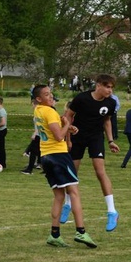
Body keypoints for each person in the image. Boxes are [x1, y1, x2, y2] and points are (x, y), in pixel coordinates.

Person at [33, 85, 97, 248]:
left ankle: (54, 234)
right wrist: (67, 123)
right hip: (58, 156)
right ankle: (81, 232)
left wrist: (68, 127)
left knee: (59, 196)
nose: (50, 96)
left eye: (51, 93)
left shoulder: (39, 111)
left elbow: (54, 130)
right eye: (46, 94)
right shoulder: (50, 112)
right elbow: (59, 136)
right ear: (39, 99)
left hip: (46, 156)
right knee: (74, 193)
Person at [63, 74, 120, 232]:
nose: (110, 90)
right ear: (98, 85)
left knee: (100, 171)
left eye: (111, 87)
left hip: (95, 138)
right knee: (72, 173)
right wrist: (68, 136)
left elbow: (106, 121)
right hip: (78, 136)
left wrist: (110, 141)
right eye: (107, 87)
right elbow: (68, 116)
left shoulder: (111, 102)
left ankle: (112, 211)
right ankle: (67, 204)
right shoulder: (82, 98)